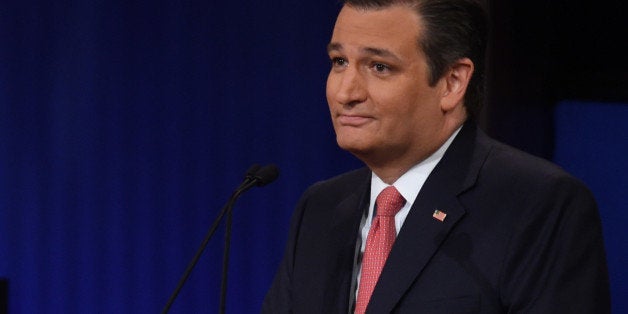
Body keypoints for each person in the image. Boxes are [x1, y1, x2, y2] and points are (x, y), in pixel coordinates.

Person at [263, 0, 610, 313]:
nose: (345, 92)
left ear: (452, 83)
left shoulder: (539, 204)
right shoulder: (320, 208)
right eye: (339, 62)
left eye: (379, 67)